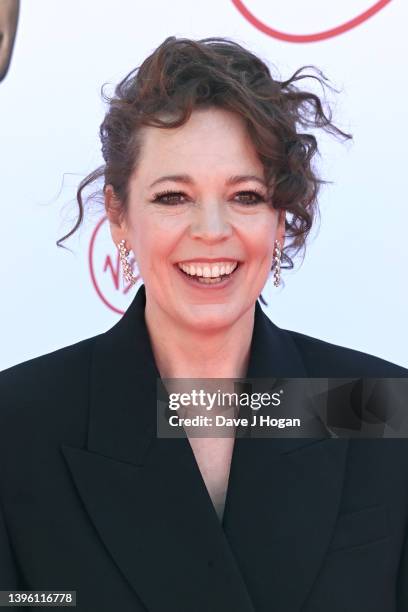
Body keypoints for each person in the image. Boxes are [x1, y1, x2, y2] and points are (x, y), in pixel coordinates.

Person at [0, 36, 407, 611]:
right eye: (173, 197)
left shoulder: (376, 408)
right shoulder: (18, 426)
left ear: (281, 216)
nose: (211, 230)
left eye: (245, 195)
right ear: (119, 216)